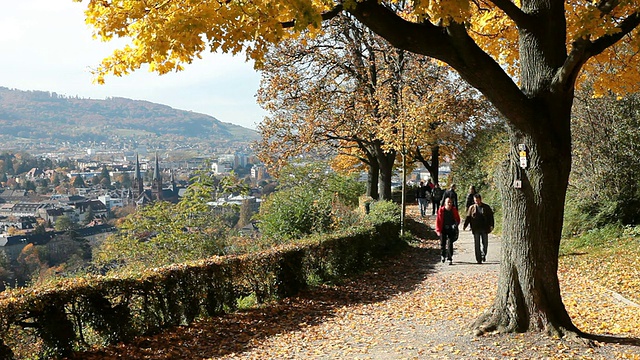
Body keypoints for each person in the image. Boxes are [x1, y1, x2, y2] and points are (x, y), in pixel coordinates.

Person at [463, 193, 495, 264]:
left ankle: (483, 254)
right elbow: (468, 217)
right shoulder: (472, 208)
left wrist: (492, 225)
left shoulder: (486, 207)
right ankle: (478, 259)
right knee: (477, 244)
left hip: (484, 228)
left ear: (480, 200)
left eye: (478, 200)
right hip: (476, 228)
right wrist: (465, 225)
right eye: (475, 200)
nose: (476, 202)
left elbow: (491, 217)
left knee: (485, 244)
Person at [435, 197, 460, 265]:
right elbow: (438, 220)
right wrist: (438, 230)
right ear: (445, 203)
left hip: (451, 229)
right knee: (443, 243)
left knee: (450, 243)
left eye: (450, 202)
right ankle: (443, 255)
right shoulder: (441, 210)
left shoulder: (454, 210)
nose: (449, 204)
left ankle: (449, 258)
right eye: (448, 202)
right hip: (443, 228)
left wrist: (456, 225)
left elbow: (457, 219)